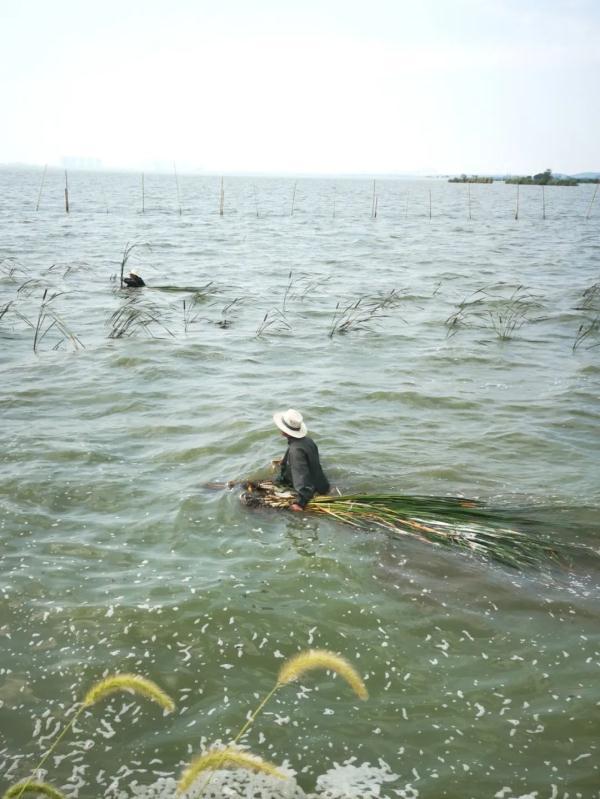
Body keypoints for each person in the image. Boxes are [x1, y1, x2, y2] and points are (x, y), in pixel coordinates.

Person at [273, 409, 330, 512]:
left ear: (285, 431)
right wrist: (285, 460)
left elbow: (302, 479)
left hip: (312, 490)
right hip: (322, 485)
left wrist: (300, 503)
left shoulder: (295, 451)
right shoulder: (307, 441)